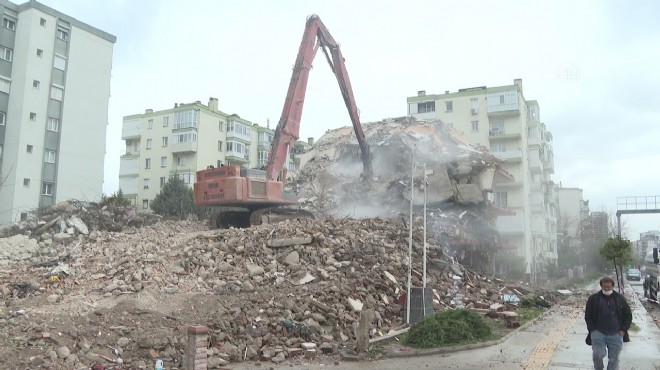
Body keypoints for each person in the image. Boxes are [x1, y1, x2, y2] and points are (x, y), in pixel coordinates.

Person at [584, 276, 632, 370]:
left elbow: (628, 315)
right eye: (604, 286)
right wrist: (592, 330)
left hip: (616, 333)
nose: (606, 288)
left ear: (612, 287)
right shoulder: (593, 299)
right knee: (597, 355)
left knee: (614, 360)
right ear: (601, 286)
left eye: (608, 287)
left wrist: (623, 329)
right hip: (598, 332)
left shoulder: (619, 298)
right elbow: (588, 316)